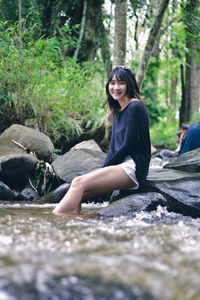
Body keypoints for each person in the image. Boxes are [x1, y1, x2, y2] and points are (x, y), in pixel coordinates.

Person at [53, 66, 151, 215]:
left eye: (121, 83)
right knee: (80, 192)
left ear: (129, 85)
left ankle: (54, 221)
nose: (115, 87)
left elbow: (128, 146)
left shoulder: (135, 107)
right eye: (112, 83)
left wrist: (104, 169)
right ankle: (70, 225)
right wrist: (103, 169)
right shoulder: (117, 111)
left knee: (78, 183)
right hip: (122, 166)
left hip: (134, 168)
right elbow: (113, 148)